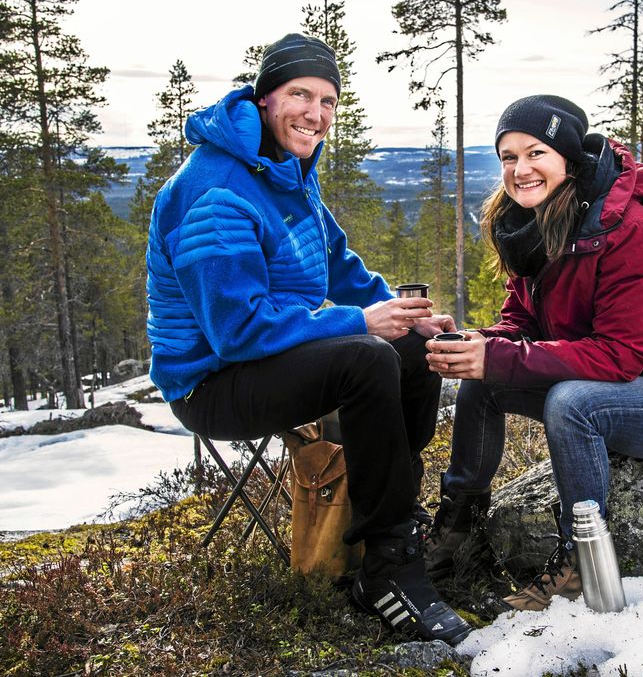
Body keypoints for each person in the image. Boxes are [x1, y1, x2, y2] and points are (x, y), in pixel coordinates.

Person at [145, 33, 470, 645]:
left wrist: (402, 313)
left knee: (410, 350)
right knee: (367, 358)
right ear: (266, 98)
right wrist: (360, 323)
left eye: (328, 101)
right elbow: (237, 330)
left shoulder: (290, 172)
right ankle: (389, 571)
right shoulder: (214, 188)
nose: (316, 114)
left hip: (273, 358)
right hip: (213, 382)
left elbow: (341, 269)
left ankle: (393, 523)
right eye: (300, 94)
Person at [423, 95, 643, 610]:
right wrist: (475, 344)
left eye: (534, 153)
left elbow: (620, 356)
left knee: (571, 403)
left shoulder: (631, 232)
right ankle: (460, 529)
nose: (520, 169)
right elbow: (522, 322)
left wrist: (498, 355)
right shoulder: (532, 222)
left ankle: (580, 560)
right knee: (484, 380)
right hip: (612, 383)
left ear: (567, 158)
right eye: (507, 156)